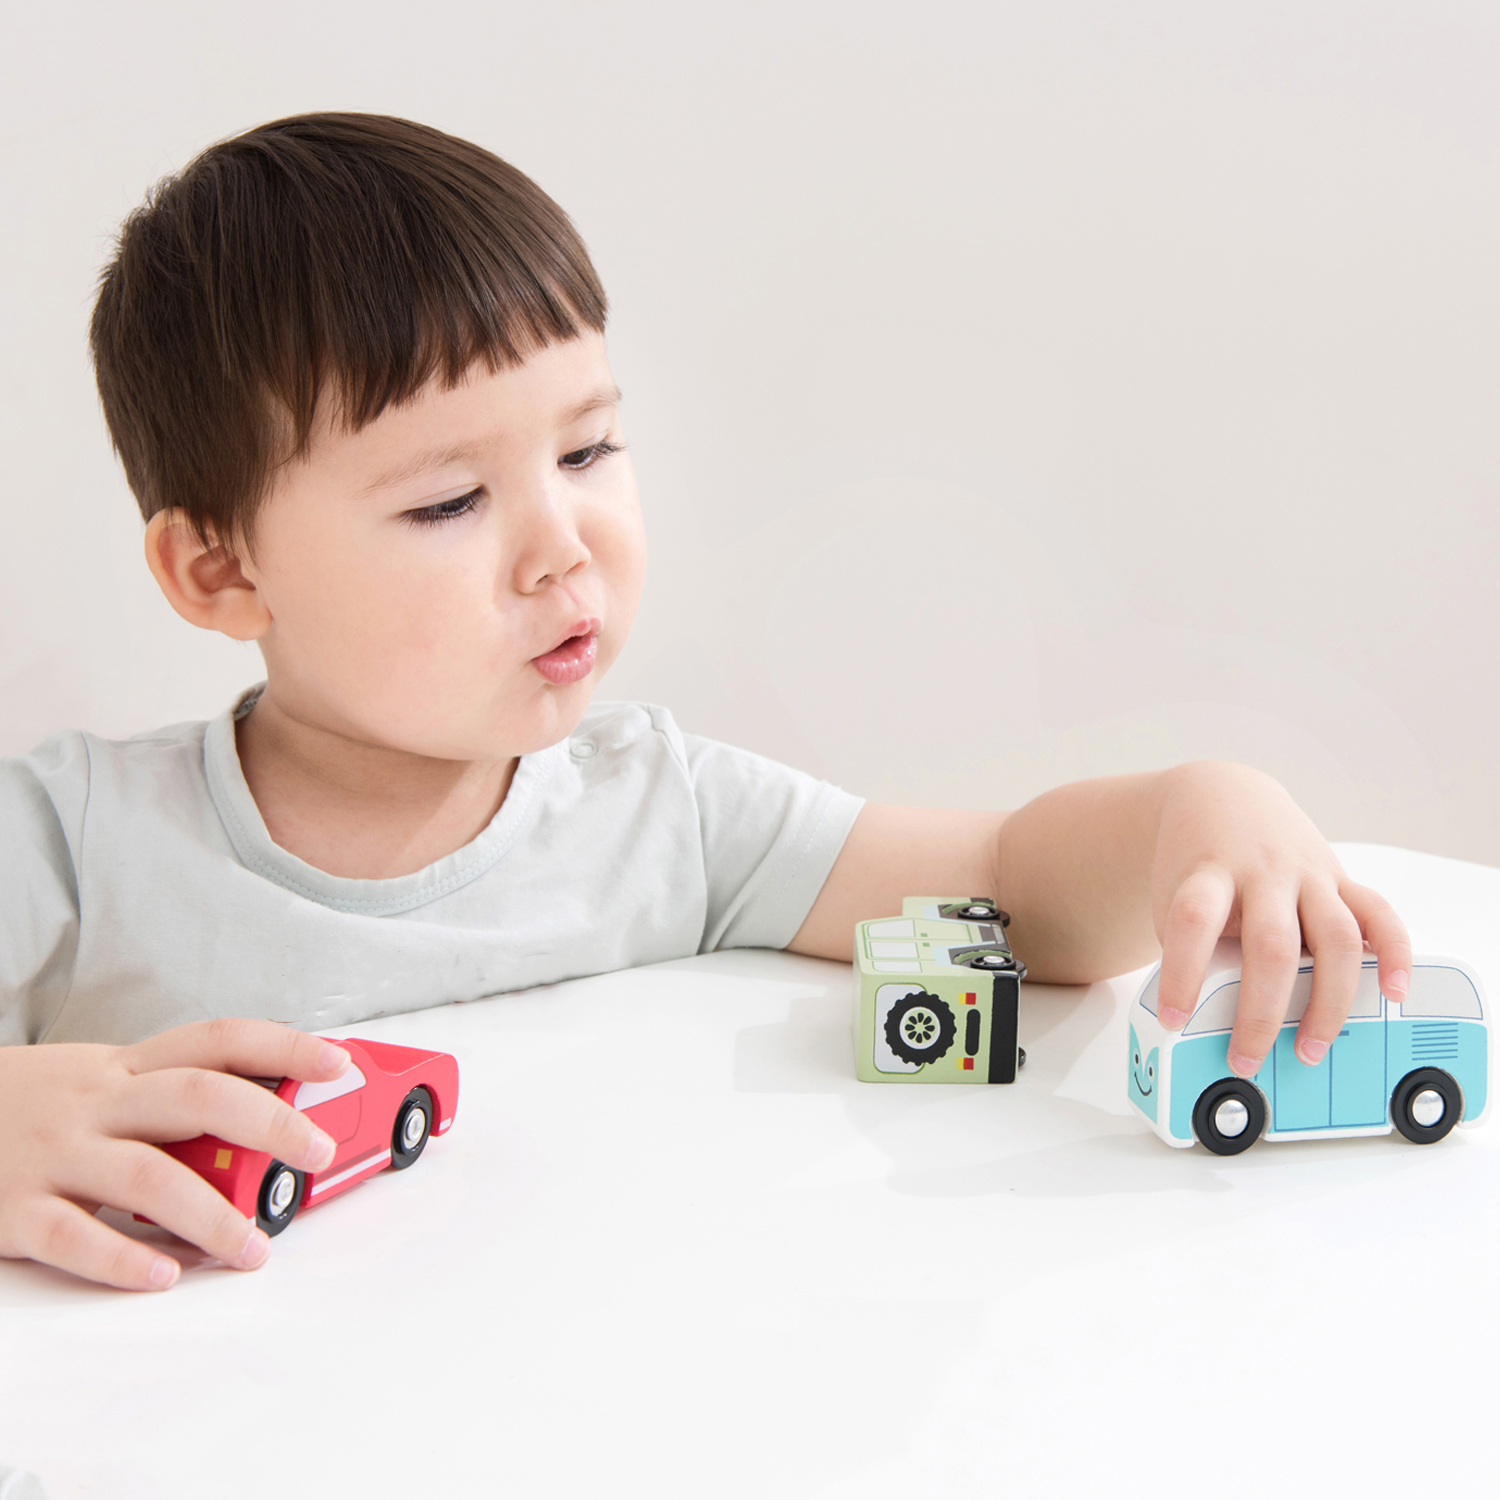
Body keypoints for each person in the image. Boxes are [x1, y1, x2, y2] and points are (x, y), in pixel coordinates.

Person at [0, 113, 1410, 1293]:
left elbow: (1007, 895)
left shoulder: (662, 813)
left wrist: (1196, 812)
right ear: (219, 567)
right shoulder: (71, 847)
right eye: (447, 499)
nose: (564, 545)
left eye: (592, 446)